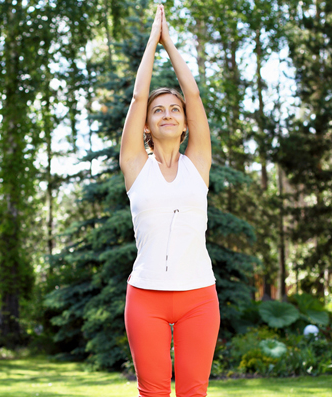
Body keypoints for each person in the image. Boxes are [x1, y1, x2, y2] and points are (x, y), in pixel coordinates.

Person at [120, 5, 220, 397]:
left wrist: (170, 43)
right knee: (154, 392)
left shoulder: (198, 163)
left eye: (174, 110)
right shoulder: (135, 165)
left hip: (199, 296)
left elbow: (193, 94)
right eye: (158, 111)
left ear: (184, 123)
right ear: (146, 124)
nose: (167, 114)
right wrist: (151, 41)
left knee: (193, 392)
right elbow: (137, 96)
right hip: (145, 297)